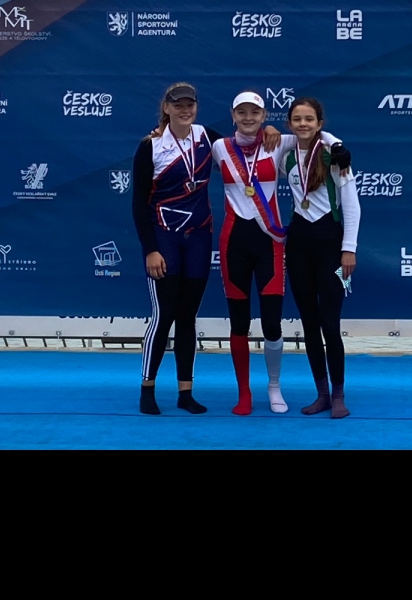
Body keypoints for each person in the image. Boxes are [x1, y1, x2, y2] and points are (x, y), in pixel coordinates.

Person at [131, 82, 280, 416]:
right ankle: (147, 388)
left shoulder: (207, 138)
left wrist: (268, 130)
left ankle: (185, 392)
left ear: (196, 107)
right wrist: (150, 249)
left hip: (198, 238)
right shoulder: (150, 146)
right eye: (178, 105)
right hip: (164, 238)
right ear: (166, 108)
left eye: (190, 105)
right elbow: (139, 203)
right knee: (163, 315)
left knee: (187, 317)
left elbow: (243, 143)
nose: (185, 110)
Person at [211, 90, 351, 416]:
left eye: (255, 113)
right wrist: (159, 130)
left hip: (271, 243)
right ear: (232, 116)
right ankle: (244, 393)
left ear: (265, 116)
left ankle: (274, 387)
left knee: (273, 324)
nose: (248, 118)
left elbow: (314, 134)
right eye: (242, 112)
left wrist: (339, 145)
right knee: (239, 323)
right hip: (233, 244)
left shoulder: (278, 143)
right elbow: (185, 134)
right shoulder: (219, 147)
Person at [281, 97, 361, 419]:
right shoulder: (285, 156)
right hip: (298, 244)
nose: (303, 124)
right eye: (297, 119)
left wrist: (349, 249)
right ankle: (322, 394)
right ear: (289, 124)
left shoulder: (334, 156)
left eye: (309, 119)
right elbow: (258, 142)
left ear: (319, 123)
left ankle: (339, 395)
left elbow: (352, 205)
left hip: (331, 244)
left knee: (330, 323)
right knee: (310, 325)